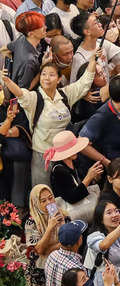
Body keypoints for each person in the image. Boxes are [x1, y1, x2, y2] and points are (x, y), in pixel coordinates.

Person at [2, 50, 96, 186]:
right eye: (43, 74)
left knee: (63, 192)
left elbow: (84, 83)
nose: (46, 78)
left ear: (58, 79)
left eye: (51, 75)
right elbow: (20, 94)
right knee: (44, 192)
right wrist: (7, 81)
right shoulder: (35, 98)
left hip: (65, 153)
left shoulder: (65, 95)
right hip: (43, 154)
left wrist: (93, 61)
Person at [45, 219, 88, 286]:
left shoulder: (52, 256)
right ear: (79, 241)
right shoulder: (77, 269)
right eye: (80, 235)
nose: (82, 236)